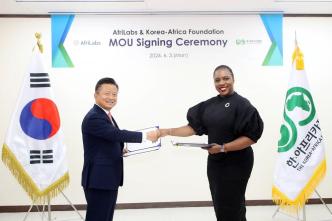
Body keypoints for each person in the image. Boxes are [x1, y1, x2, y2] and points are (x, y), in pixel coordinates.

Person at [159, 65, 264, 221]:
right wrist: (166, 131)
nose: (222, 83)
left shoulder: (242, 105)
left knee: (233, 205)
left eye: (226, 78)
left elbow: (251, 137)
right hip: (215, 162)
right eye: (217, 80)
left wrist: (224, 148)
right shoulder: (208, 105)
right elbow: (192, 128)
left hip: (237, 163)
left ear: (233, 79)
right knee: (220, 204)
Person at [81, 77, 159, 221]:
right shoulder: (94, 117)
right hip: (99, 180)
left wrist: (119, 150)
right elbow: (116, 134)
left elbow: (106, 139)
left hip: (107, 179)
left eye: (114, 94)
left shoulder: (105, 115)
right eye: (107, 93)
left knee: (105, 217)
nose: (111, 97)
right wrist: (145, 136)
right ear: (95, 95)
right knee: (98, 217)